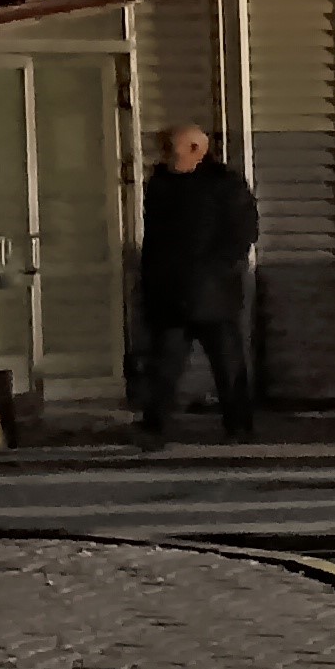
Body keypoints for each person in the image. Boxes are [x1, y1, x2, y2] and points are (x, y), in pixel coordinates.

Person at [136, 124, 259, 448]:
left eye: (171, 148)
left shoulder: (224, 184)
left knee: (227, 363)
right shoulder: (161, 184)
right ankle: (154, 427)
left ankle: (238, 426)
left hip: (212, 292)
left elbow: (243, 232)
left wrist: (215, 269)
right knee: (164, 364)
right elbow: (153, 240)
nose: (165, 155)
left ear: (196, 150)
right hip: (170, 293)